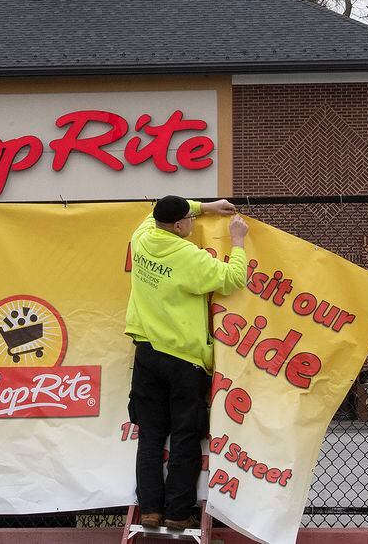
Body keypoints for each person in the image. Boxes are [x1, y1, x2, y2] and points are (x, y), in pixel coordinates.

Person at [125, 195, 249, 532]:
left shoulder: (142, 238)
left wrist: (206, 207)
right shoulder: (189, 257)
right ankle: (178, 513)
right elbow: (234, 278)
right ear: (179, 225)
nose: (193, 225)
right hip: (184, 360)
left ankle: (149, 509)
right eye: (190, 220)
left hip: (147, 353)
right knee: (185, 436)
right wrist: (238, 240)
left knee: (150, 437)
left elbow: (155, 212)